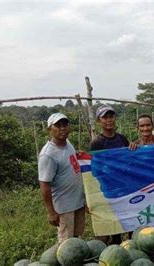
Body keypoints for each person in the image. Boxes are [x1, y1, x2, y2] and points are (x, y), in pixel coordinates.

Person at [38, 113, 85, 244]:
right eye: (57, 125)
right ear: (49, 129)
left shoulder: (67, 143)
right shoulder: (48, 155)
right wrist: (51, 212)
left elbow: (69, 160)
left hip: (78, 202)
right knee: (66, 245)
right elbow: (45, 184)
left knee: (77, 240)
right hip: (64, 207)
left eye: (65, 125)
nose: (62, 128)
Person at [89, 104, 129, 244]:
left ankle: (132, 245)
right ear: (99, 121)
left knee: (130, 219)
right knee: (115, 224)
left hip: (125, 186)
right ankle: (116, 247)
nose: (109, 120)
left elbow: (129, 161)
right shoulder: (97, 143)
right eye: (105, 117)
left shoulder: (122, 139)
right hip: (109, 189)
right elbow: (94, 168)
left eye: (111, 116)